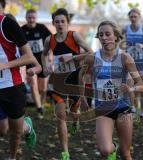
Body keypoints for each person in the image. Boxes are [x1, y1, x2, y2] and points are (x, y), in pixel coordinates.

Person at [62, 20, 143, 160]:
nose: (104, 37)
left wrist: (131, 88)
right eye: (101, 35)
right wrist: (82, 98)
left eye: (107, 34)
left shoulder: (125, 57)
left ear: (116, 36)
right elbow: (81, 76)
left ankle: (119, 150)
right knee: (105, 150)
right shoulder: (93, 58)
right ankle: (113, 148)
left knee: (126, 154)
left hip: (123, 108)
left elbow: (141, 84)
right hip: (102, 109)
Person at [41, 8, 92, 160]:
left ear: (68, 23)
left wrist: (73, 59)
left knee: (73, 112)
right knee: (60, 115)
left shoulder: (74, 35)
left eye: (63, 21)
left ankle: (75, 121)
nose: (60, 24)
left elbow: (90, 52)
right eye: (57, 22)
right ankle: (65, 152)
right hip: (59, 80)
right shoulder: (49, 40)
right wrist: (46, 66)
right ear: (53, 24)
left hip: (75, 79)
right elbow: (44, 55)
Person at [0, 0, 41, 159]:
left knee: (15, 131)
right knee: (3, 130)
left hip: (13, 86)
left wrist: (4, 66)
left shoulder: (10, 29)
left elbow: (34, 62)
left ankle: (12, 156)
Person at [122, 8, 143, 122]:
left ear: (139, 17)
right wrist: (123, 46)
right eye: (131, 17)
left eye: (135, 16)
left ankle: (142, 113)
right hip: (130, 63)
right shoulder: (125, 29)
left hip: (142, 63)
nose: (133, 19)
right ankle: (133, 109)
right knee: (131, 88)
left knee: (142, 89)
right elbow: (118, 42)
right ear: (129, 17)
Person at [21, 9, 52, 119]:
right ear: (26, 18)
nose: (31, 19)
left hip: (42, 60)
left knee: (43, 89)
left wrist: (49, 58)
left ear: (36, 18)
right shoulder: (22, 30)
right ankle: (39, 109)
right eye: (29, 17)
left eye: (33, 17)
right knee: (33, 85)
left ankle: (42, 105)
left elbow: (50, 41)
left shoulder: (42, 28)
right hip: (30, 62)